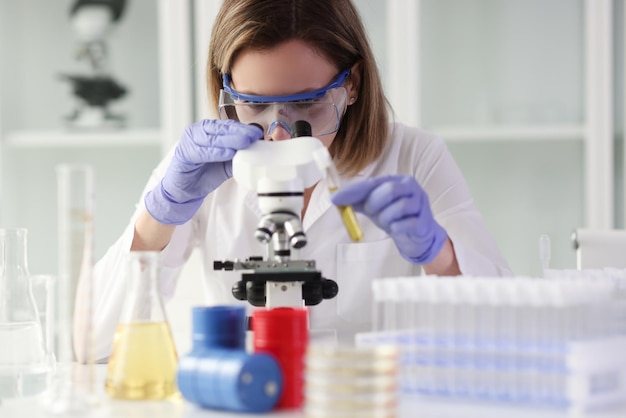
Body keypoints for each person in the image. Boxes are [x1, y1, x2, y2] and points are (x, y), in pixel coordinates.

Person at [83, 0, 512, 362]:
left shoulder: (414, 158)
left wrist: (441, 256)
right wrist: (159, 215)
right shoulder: (199, 167)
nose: (279, 134)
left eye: (306, 104)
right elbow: (91, 344)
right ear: (226, 90)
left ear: (353, 85)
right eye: (254, 106)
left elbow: (507, 334)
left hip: (365, 400)